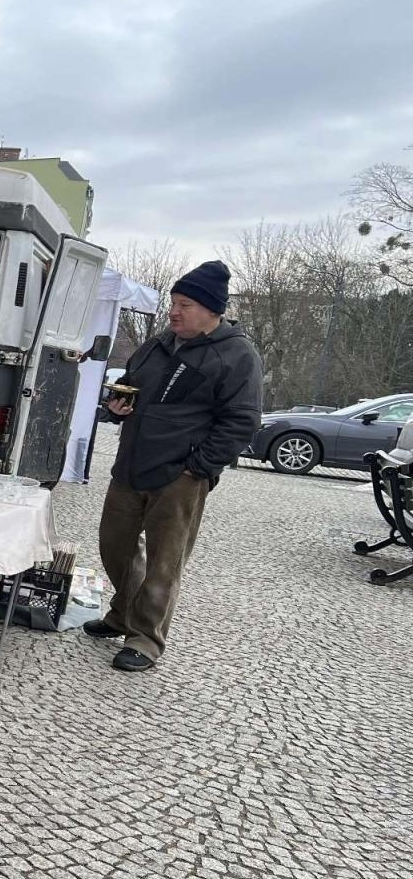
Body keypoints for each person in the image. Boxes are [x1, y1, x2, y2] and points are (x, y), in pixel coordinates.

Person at [86, 260, 263, 670]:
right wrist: (117, 407)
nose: (174, 311)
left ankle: (145, 639)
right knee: (115, 548)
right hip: (131, 465)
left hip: (181, 476)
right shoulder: (159, 344)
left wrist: (198, 466)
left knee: (164, 563)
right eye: (173, 302)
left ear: (211, 310)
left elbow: (242, 421)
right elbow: (131, 387)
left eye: (184, 304)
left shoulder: (237, 355)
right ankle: (121, 614)